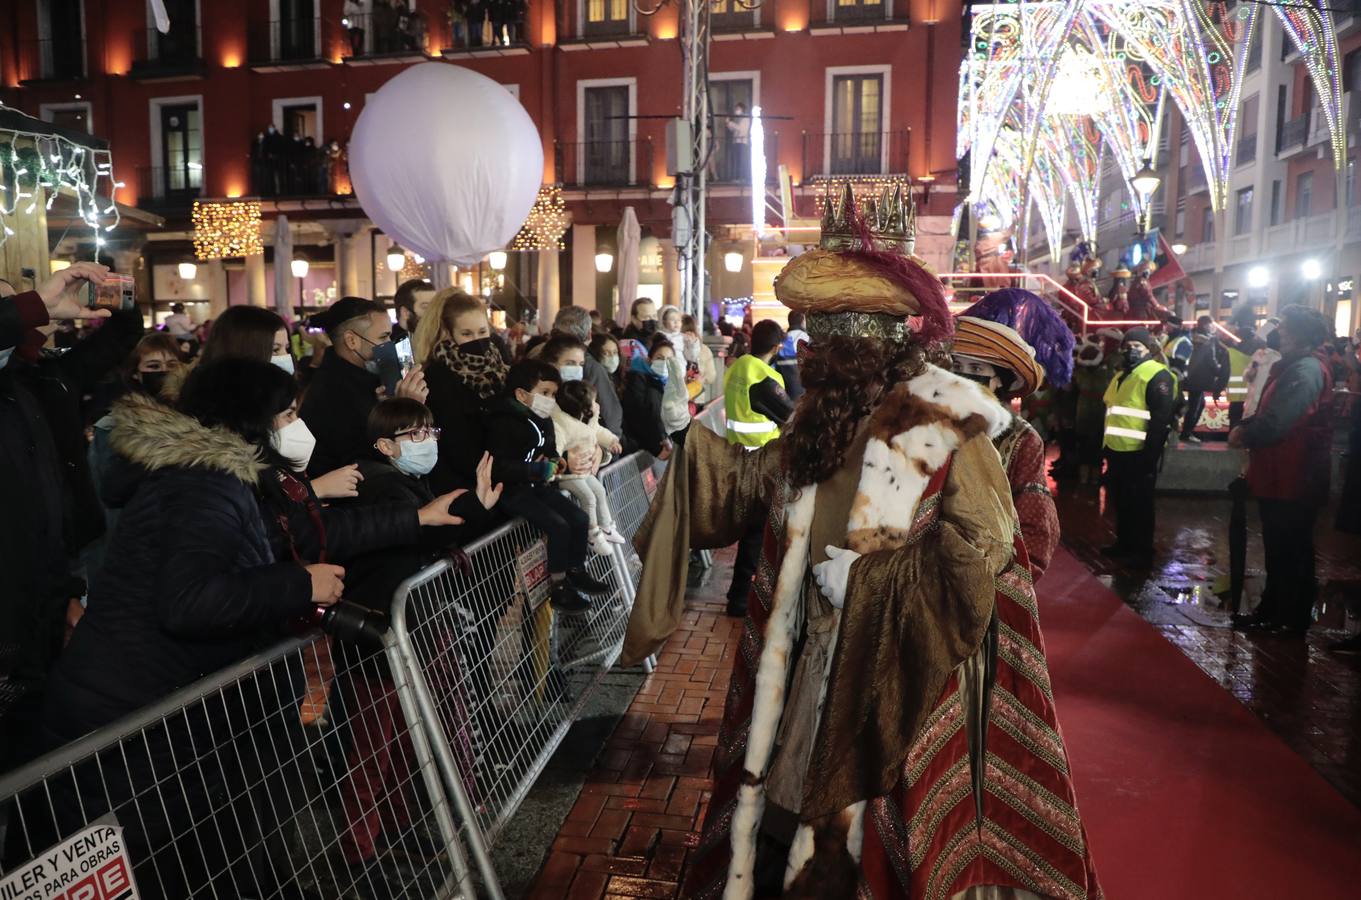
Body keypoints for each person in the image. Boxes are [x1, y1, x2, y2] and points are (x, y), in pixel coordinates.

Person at [627, 186, 1100, 897]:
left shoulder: (942, 419)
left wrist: (872, 583)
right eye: (810, 341)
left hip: (894, 662)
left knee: (867, 844)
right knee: (790, 825)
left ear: (866, 349)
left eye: (825, 344)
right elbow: (757, 489)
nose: (809, 357)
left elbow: (985, 553)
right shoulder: (816, 422)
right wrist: (695, 450)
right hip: (806, 657)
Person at [35, 359, 344, 898]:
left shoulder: (209, 477)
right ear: (254, 418)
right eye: (284, 413)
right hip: (131, 721)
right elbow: (189, 600)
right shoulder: (204, 484)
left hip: (145, 714)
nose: (292, 425)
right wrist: (299, 586)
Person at [0, 262, 138, 768]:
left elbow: (120, 337)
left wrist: (120, 293)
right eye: (6, 308)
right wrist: (33, 305)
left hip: (53, 554)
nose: (13, 314)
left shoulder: (42, 375)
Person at [950, 288, 1074, 579]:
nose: (965, 375)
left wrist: (1009, 580)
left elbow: (1036, 523)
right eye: (957, 366)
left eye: (977, 368)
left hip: (986, 573)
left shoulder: (1020, 438)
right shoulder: (924, 422)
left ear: (1000, 380)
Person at [1229, 305, 1334, 637]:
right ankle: (1273, 609)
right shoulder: (1292, 367)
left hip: (1295, 474)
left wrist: (1246, 433)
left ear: (1302, 334)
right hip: (1280, 474)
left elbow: (1280, 420)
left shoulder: (1305, 371)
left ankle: (1290, 616)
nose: (1280, 332)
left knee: (1292, 548)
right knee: (1278, 546)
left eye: (1286, 327)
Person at [485, 359, 612, 612]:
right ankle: (559, 586)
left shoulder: (542, 418)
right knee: (558, 525)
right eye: (544, 393)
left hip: (539, 485)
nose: (550, 399)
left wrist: (556, 461)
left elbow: (550, 447)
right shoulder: (503, 421)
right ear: (521, 394)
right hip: (512, 491)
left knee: (577, 518)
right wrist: (535, 469)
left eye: (554, 394)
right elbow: (500, 466)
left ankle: (576, 570)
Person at [299, 296, 427, 478]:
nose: (389, 344)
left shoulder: (360, 378)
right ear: (352, 341)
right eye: (383, 337)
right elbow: (376, 452)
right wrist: (406, 408)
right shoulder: (335, 391)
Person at [721, 319, 794, 617]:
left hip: (738, 455)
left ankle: (739, 595)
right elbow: (788, 415)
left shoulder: (739, 367)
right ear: (777, 347)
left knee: (753, 530)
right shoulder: (763, 376)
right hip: (762, 462)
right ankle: (740, 599)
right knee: (757, 531)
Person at [414, 288, 508, 495]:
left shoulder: (499, 365)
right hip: (463, 484)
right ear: (449, 334)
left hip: (501, 473)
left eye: (482, 332)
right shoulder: (438, 375)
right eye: (466, 334)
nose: (476, 339)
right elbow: (454, 442)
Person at [1102, 326, 1176, 565]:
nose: (1132, 350)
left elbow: (1160, 419)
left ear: (1148, 349)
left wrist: (1150, 454)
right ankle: (1123, 543)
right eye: (1129, 346)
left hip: (1139, 452)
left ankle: (1142, 550)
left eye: (1137, 347)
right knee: (1121, 501)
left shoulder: (1157, 374)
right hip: (1116, 450)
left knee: (1140, 503)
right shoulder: (1122, 375)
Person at [553, 380, 627, 555]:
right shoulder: (561, 425)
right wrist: (562, 462)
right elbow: (555, 450)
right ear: (584, 407)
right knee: (588, 497)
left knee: (599, 491)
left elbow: (597, 431)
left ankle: (607, 527)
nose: (597, 405)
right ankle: (593, 534)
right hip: (567, 476)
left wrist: (611, 441)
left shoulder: (586, 420)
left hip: (584, 471)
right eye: (594, 401)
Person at [620, 335, 678, 459]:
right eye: (659, 358)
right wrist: (659, 444)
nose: (664, 363)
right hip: (643, 447)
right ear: (649, 359)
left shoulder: (669, 383)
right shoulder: (637, 378)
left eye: (669, 359)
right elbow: (639, 415)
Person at [1179, 315, 1228, 443]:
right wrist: (1221, 371)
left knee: (1197, 404)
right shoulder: (1208, 340)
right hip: (1201, 379)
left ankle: (1186, 431)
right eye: (1211, 324)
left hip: (1192, 377)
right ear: (1206, 325)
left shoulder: (1192, 337)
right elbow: (1210, 360)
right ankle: (1186, 433)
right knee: (1196, 406)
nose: (1213, 327)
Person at [681, 313, 719, 406]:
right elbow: (711, 377)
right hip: (697, 396)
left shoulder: (674, 347)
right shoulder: (703, 349)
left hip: (678, 396)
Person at [772, 310, 809, 401]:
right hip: (804, 391)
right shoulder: (807, 338)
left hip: (783, 393)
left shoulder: (781, 341)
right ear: (802, 321)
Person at [392, 278, 435, 343]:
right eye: (426, 307)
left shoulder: (436, 341)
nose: (434, 312)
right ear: (405, 313)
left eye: (435, 306)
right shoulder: (389, 348)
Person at [725, 101, 751, 181]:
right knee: (735, 160)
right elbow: (734, 129)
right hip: (736, 141)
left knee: (741, 160)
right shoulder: (738, 119)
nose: (736, 110)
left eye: (738, 109)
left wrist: (730, 123)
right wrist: (728, 123)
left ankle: (741, 177)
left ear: (742, 109)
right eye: (736, 109)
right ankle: (736, 177)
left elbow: (740, 129)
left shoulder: (746, 118)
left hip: (742, 142)